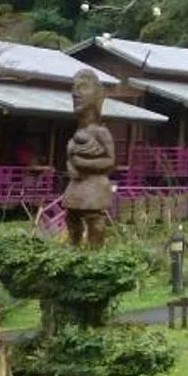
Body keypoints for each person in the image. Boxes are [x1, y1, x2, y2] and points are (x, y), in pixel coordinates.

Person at [60, 69, 118, 247]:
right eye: (74, 88)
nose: (75, 93)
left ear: (97, 94)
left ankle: (95, 254)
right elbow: (72, 158)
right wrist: (71, 163)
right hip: (77, 184)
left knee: (94, 220)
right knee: (71, 216)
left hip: (94, 185)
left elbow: (110, 161)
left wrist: (82, 163)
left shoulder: (101, 132)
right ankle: (73, 249)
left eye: (82, 87)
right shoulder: (80, 131)